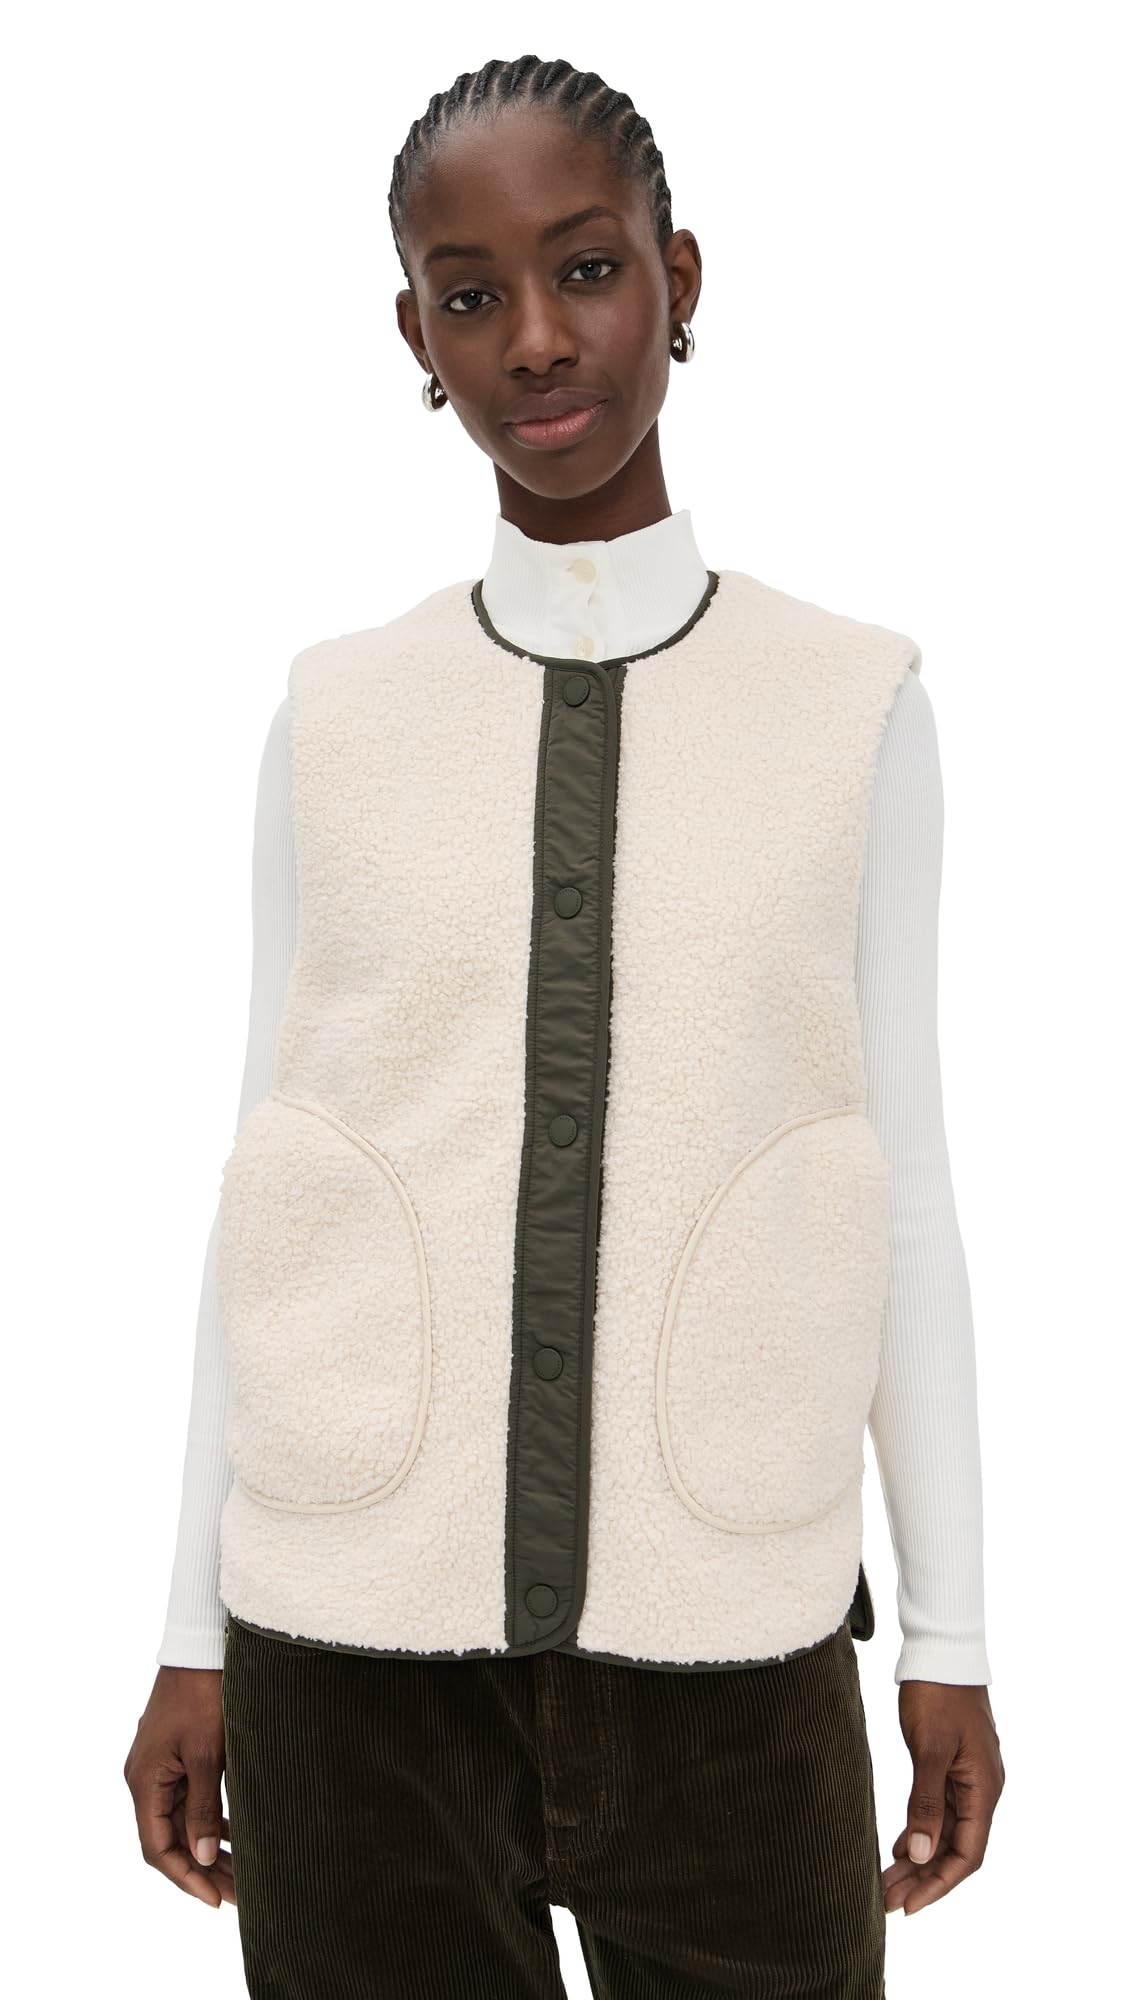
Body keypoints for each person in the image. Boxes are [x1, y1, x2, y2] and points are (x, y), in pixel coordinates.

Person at [124, 52, 1005, 1998]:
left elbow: (909, 1188)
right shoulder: (335, 722)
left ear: (680, 279)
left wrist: (949, 1639)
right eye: (469, 293)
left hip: (735, 1651)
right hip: (345, 1661)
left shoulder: (851, 710)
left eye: (586, 269)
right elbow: (269, 1190)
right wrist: (191, 1628)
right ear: (415, 340)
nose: (534, 337)